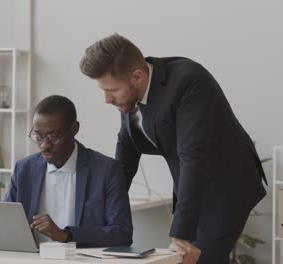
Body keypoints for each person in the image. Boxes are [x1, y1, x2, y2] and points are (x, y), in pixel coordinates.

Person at [79, 33, 267, 263]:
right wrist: (102, 214)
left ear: (137, 76)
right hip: (191, 185)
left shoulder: (189, 80)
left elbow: (193, 156)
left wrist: (182, 234)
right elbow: (126, 152)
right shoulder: (131, 95)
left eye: (112, 90)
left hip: (225, 186)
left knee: (198, 259)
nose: (107, 100)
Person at [4, 95, 133, 247]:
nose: (44, 145)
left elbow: (122, 234)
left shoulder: (106, 170)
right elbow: (5, 222)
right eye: (38, 136)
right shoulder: (24, 169)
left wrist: (66, 235)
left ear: (74, 129)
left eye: (53, 136)